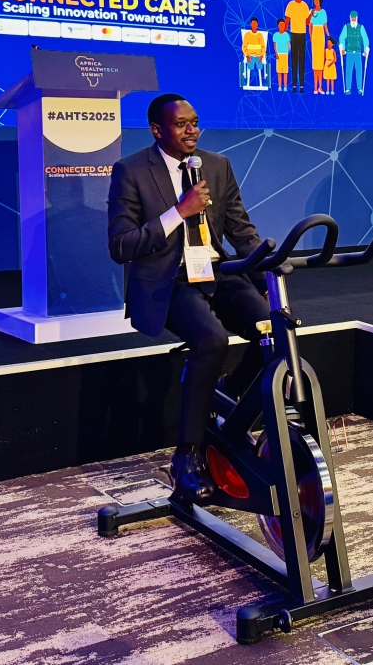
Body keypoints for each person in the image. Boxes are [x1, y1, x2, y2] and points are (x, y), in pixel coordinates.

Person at [107, 93, 271, 506]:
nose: (192, 130)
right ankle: (187, 456)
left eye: (195, 122)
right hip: (169, 280)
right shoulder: (130, 171)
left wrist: (266, 273)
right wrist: (177, 212)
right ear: (157, 130)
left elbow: (240, 230)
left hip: (217, 272)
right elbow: (121, 246)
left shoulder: (217, 165)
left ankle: (227, 395)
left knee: (274, 328)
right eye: (181, 124)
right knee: (211, 340)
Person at [285, 0, 310, 93]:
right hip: (294, 34)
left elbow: (307, 22)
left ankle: (302, 86)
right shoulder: (290, 5)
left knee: (302, 60)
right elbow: (287, 20)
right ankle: (294, 85)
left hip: (302, 34)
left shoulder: (305, 5)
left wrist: (311, 14)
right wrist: (283, 32)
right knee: (294, 60)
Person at [339, 10, 370, 95]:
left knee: (359, 71)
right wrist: (342, 49)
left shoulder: (361, 27)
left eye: (354, 18)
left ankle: (360, 88)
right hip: (349, 53)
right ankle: (348, 88)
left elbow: (365, 39)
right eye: (352, 18)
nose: (353, 20)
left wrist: (365, 50)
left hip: (358, 53)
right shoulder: (346, 27)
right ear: (350, 18)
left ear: (357, 18)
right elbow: (342, 38)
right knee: (348, 70)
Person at [309, 0, 328, 95]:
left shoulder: (323, 12)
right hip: (315, 36)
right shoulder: (312, 12)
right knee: (315, 62)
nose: (316, 2)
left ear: (320, 1)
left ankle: (320, 87)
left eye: (317, 0)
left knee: (320, 62)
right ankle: (315, 87)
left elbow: (325, 25)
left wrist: (328, 35)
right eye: (314, 0)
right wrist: (311, 37)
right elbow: (310, 26)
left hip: (321, 36)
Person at [241, 17, 265, 88]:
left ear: (257, 24)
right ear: (250, 24)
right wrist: (247, 56)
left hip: (259, 56)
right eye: (253, 23)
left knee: (259, 68)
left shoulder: (260, 35)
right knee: (249, 68)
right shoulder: (247, 35)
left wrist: (261, 56)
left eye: (255, 23)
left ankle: (261, 83)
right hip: (250, 56)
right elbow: (244, 46)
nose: (254, 25)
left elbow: (263, 47)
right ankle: (248, 83)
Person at [272, 19, 290, 92]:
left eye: (283, 24)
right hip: (278, 55)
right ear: (278, 25)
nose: (282, 26)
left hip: (285, 54)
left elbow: (289, 45)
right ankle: (279, 86)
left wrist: (287, 53)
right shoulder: (275, 35)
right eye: (281, 24)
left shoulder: (286, 35)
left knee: (285, 71)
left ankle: (285, 86)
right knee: (279, 71)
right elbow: (275, 45)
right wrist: (276, 53)